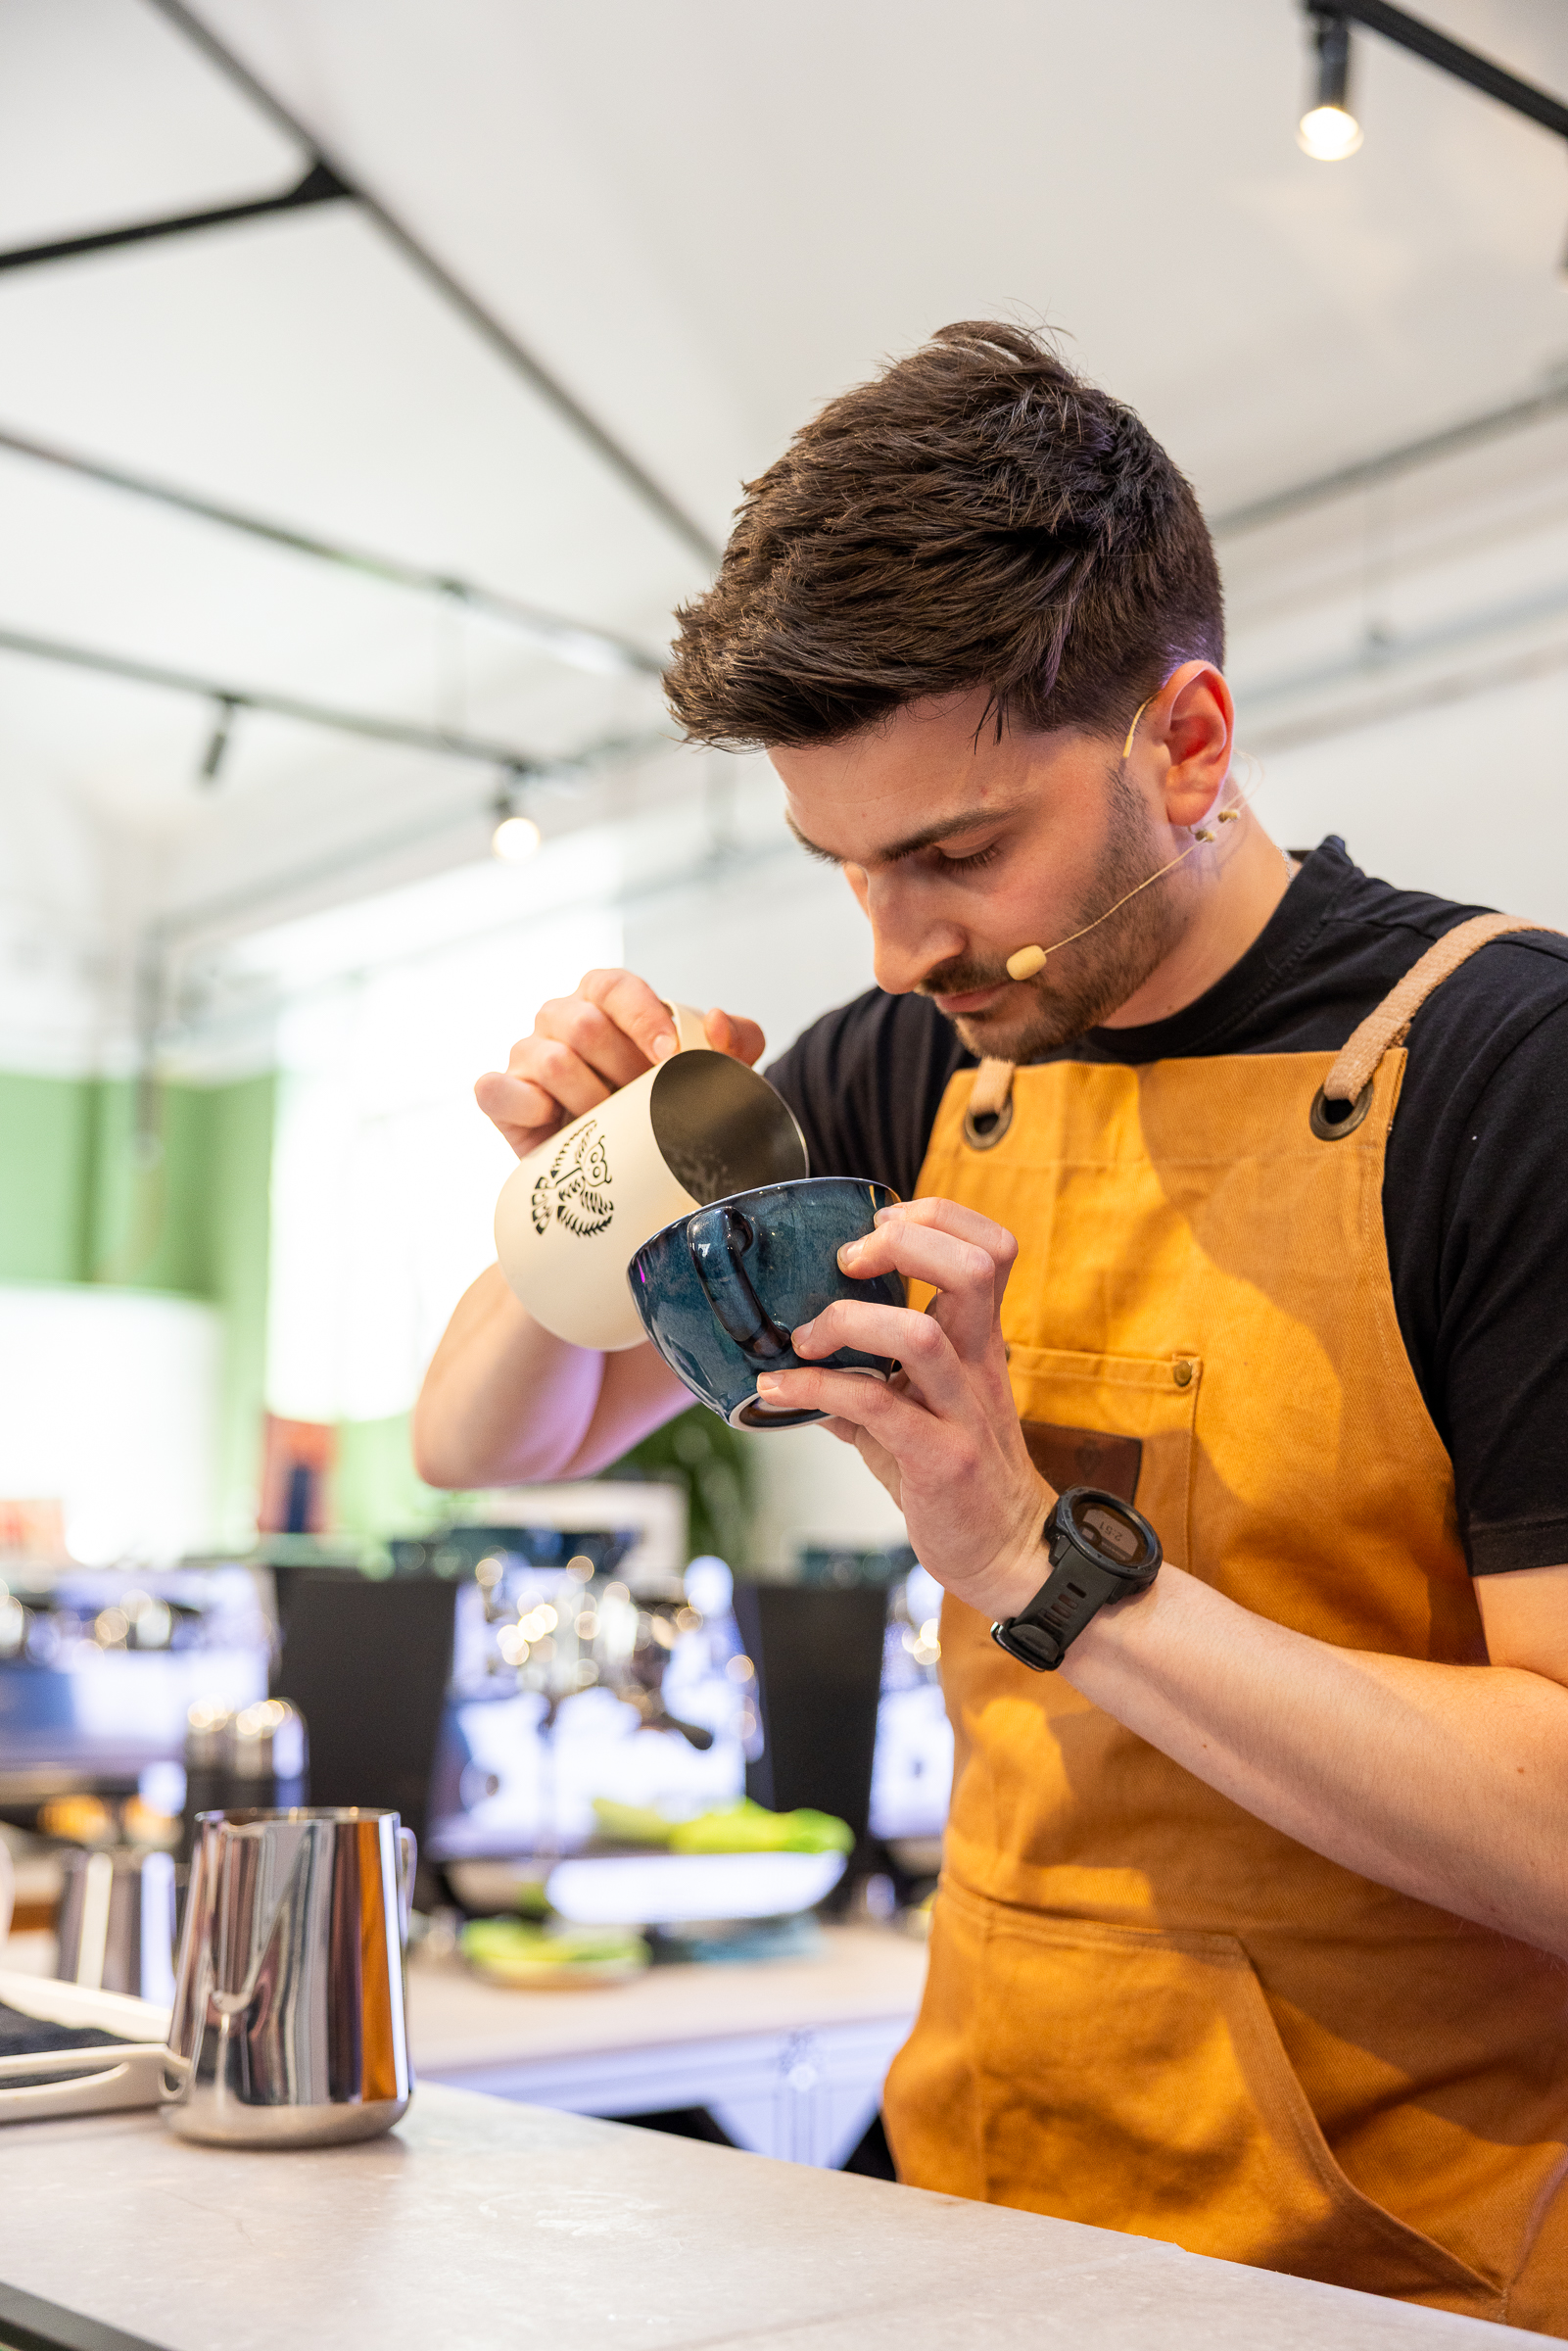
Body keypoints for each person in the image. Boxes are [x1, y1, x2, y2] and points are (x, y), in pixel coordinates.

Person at [414, 322, 1568, 2331]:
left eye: (956, 854)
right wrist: (580, 1192)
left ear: (1186, 741)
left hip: (1397, 2275)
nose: (896, 943)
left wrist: (1033, 1561)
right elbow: (484, 1442)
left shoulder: (1506, 1071)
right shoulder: (910, 1070)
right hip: (981, 2208)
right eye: (843, 866)